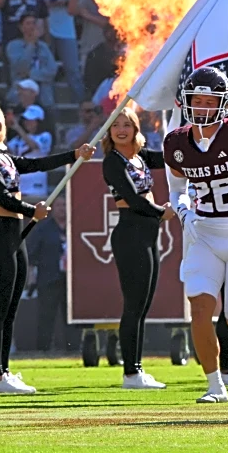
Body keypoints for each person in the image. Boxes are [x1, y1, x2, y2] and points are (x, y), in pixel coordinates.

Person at [0, 98, 94, 395]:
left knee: (10, 310)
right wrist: (33, 210)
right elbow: (1, 197)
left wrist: (74, 154)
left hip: (15, 237)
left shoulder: (4, 156)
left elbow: (35, 164)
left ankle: (5, 371)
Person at [163, 67, 228, 403]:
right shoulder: (176, 141)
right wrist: (184, 210)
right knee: (199, 307)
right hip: (204, 230)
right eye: (196, 100)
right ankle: (215, 385)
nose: (201, 107)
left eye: (209, 101)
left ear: (223, 103)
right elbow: (177, 189)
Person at [102, 106, 174, 388]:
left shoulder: (140, 156)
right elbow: (133, 200)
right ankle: (131, 373)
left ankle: (136, 369)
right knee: (133, 306)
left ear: (135, 129)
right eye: (115, 125)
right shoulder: (112, 161)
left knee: (142, 307)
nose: (121, 130)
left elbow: (171, 158)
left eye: (127, 124)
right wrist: (161, 212)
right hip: (130, 235)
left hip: (148, 236)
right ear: (109, 131)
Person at [26, 197, 73, 352]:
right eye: (59, 205)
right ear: (52, 208)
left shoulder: (75, 226)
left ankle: (73, 349)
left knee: (71, 317)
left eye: (65, 205)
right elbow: (31, 255)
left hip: (71, 281)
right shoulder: (42, 228)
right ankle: (43, 349)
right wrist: (31, 278)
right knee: (46, 316)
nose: (62, 208)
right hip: (48, 278)